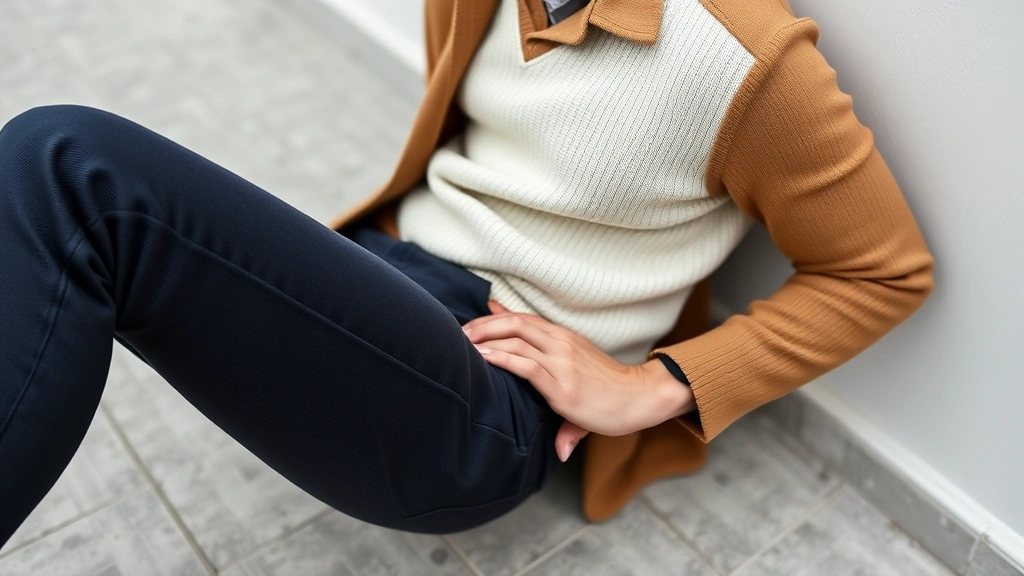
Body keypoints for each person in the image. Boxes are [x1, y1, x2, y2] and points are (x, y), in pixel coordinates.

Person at [0, 0, 934, 543]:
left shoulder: (746, 62)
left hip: (490, 398)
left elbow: (882, 271)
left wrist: (654, 387)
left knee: (67, 168)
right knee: (56, 187)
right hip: (390, 272)